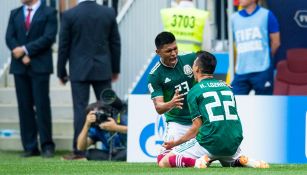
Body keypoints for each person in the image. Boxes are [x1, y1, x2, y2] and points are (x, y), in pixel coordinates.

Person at [159, 51, 269, 168]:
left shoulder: (194, 91)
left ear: (196, 68)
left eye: (193, 64)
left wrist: (175, 143)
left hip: (209, 143)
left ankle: (197, 163)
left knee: (164, 161)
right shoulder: (227, 88)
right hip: (232, 144)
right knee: (225, 160)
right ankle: (242, 161)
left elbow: (196, 129)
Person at [57, 0, 121, 159]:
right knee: (107, 107)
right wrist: (115, 69)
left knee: (80, 109)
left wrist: (61, 71)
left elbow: (63, 45)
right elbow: (115, 43)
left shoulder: (69, 14)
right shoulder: (108, 13)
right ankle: (113, 146)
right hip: (103, 68)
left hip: (79, 69)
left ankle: (79, 150)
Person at [5, 0, 57, 158]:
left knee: (42, 106)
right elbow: (9, 37)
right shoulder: (14, 13)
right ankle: (30, 146)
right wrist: (19, 53)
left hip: (39, 66)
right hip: (20, 67)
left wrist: (26, 50)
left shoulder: (49, 12)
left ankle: (47, 145)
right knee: (24, 107)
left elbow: (49, 37)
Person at [148, 31, 198, 162]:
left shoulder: (191, 58)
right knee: (163, 160)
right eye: (168, 51)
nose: (174, 53)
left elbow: (208, 69)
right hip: (178, 123)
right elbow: (159, 107)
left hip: (199, 120)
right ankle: (196, 163)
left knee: (221, 150)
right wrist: (172, 103)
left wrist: (215, 82)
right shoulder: (155, 75)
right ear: (158, 52)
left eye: (175, 48)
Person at [231, 0, 280, 95]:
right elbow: (234, 46)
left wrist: (266, 57)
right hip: (241, 71)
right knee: (234, 103)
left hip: (262, 70)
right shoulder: (233, 18)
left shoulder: (266, 15)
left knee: (265, 105)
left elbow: (276, 42)